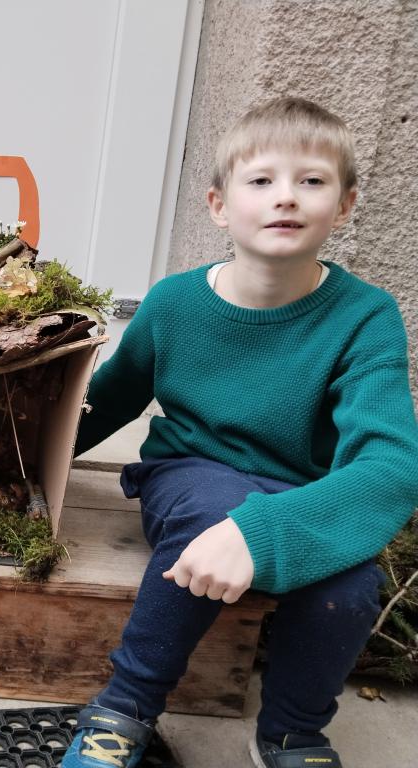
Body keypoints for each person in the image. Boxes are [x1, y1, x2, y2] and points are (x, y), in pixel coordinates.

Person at [62, 97, 418, 768]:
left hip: (300, 489)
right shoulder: (175, 303)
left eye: (311, 180)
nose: (286, 196)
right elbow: (103, 404)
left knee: (348, 589)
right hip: (192, 471)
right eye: (261, 180)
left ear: (344, 206)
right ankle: (122, 711)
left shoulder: (366, 317)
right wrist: (16, 465)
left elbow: (391, 465)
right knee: (208, 515)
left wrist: (264, 531)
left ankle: (292, 733)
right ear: (219, 205)